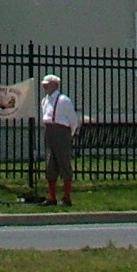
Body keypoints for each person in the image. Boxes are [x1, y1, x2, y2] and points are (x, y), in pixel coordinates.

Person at [40, 74, 78, 207]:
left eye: (47, 84)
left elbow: (73, 119)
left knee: (64, 162)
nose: (44, 86)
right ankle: (52, 197)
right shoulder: (44, 101)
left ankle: (67, 197)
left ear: (55, 85)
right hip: (49, 131)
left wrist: (70, 134)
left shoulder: (64, 100)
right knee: (50, 164)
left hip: (62, 132)